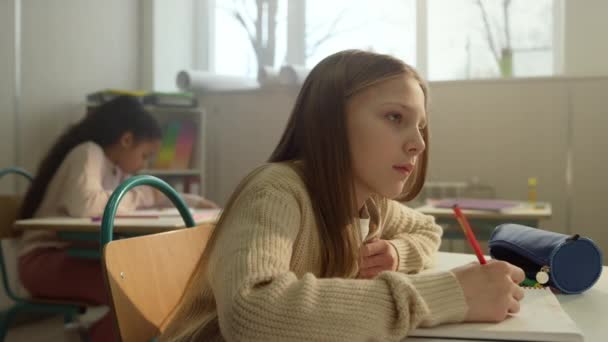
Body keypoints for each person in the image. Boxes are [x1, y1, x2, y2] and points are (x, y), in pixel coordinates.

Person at [160, 50, 525, 341]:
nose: (418, 143)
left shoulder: (369, 203)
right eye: (395, 117)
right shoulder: (275, 192)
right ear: (330, 121)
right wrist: (448, 295)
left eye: (421, 126)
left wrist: (398, 254)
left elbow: (427, 229)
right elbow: (253, 311)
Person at [17, 95, 217, 342]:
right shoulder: (88, 153)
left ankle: (89, 335)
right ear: (126, 140)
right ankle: (91, 337)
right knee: (138, 294)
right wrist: (147, 193)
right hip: (42, 261)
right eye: (145, 155)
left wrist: (193, 201)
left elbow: (142, 198)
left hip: (75, 256)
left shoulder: (115, 169)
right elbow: (88, 206)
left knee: (146, 288)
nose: (144, 165)